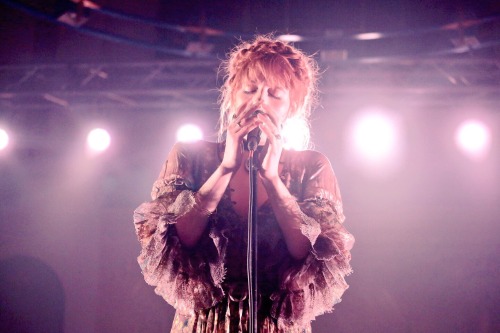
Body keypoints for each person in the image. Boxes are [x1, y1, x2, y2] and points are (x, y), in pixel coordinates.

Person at [133, 35, 354, 333]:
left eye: (275, 94)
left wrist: (273, 180)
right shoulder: (191, 155)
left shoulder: (311, 166)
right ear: (232, 94)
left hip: (272, 322)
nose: (259, 102)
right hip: (205, 321)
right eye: (250, 90)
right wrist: (225, 168)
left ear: (291, 107)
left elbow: (307, 253)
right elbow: (178, 240)